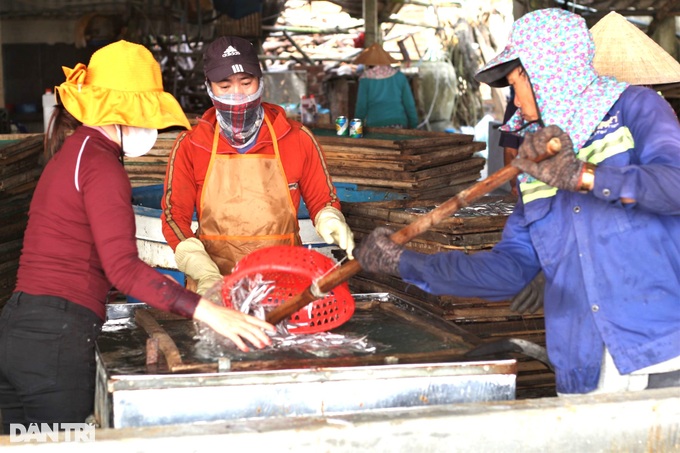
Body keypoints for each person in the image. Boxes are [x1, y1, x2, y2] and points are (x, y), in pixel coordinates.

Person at [355, 8, 680, 396]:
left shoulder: (636, 109)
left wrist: (584, 176)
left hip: (661, 353)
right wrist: (404, 262)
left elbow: (673, 186)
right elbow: (510, 269)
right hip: (582, 366)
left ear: (546, 71)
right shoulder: (536, 161)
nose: (515, 100)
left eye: (515, 81)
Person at [0, 40, 274, 432]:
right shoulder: (101, 166)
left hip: (17, 331)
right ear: (125, 111)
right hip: (55, 343)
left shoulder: (72, 153)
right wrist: (209, 311)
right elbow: (123, 271)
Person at [161, 36, 355, 295]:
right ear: (209, 87)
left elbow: (323, 200)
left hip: (285, 285)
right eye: (224, 85)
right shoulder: (191, 145)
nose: (237, 94)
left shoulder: (296, 138)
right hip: (215, 287)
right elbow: (175, 216)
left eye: (246, 82)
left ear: (260, 82)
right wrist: (199, 266)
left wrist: (330, 218)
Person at [353, 43, 418, 129]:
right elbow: (409, 104)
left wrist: (355, 130)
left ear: (368, 64)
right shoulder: (399, 77)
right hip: (398, 124)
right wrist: (414, 126)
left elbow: (361, 107)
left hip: (375, 125)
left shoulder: (365, 79)